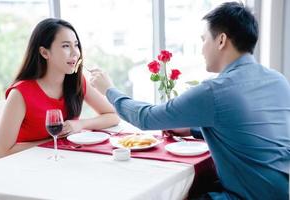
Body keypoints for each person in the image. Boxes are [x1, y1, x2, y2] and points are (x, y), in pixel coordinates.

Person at [89, 2, 289, 200]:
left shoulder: (214, 91)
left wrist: (109, 90)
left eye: (203, 40)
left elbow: (147, 118)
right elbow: (252, 130)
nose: (202, 49)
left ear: (221, 40)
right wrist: (192, 130)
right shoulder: (278, 80)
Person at [0, 18, 120, 159]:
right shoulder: (20, 93)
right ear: (44, 53)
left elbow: (113, 116)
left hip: (65, 162)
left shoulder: (77, 82)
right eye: (66, 46)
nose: (75, 53)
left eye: (76, 45)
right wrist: (55, 141)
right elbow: (1, 152)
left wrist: (79, 124)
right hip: (28, 167)